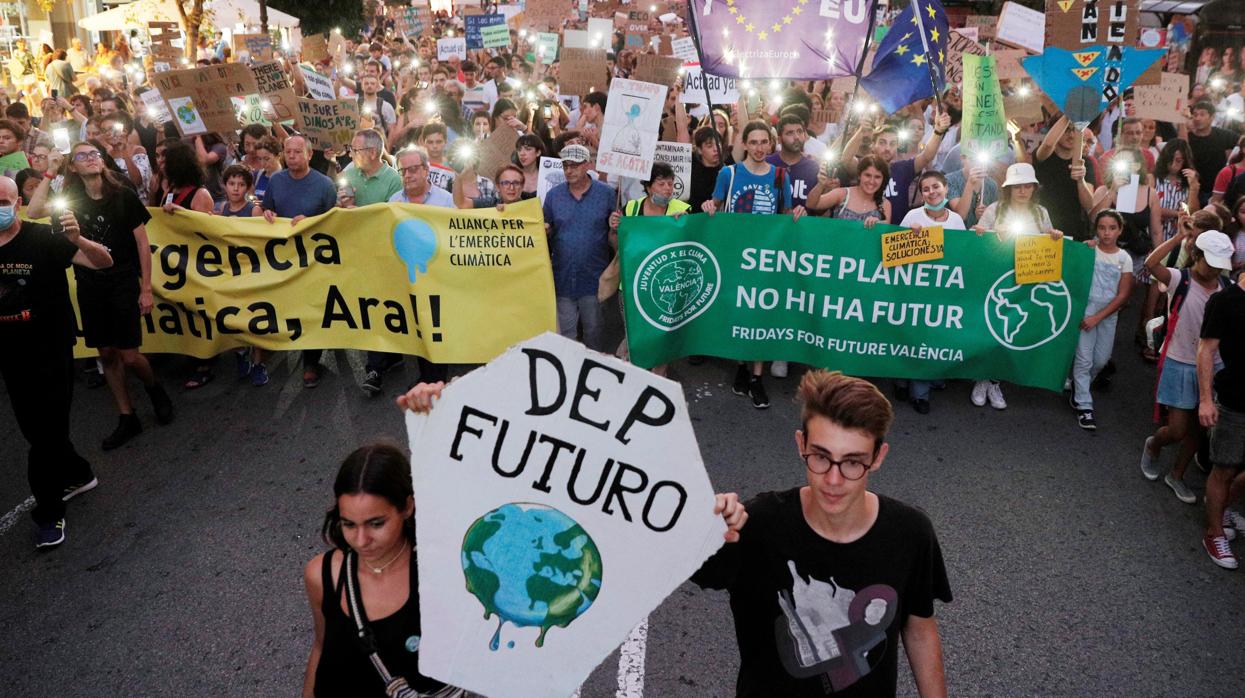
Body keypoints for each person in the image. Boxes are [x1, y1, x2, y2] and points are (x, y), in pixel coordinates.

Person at [691, 369, 951, 696]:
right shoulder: (757, 524)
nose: (833, 480)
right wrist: (703, 526)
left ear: (878, 457)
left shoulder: (911, 532)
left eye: (853, 462)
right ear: (801, 445)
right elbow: (682, 570)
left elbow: (919, 628)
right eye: (821, 457)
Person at [0, 175, 113, 548]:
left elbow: (103, 261)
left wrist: (77, 239)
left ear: (17, 204)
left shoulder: (42, 239)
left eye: (3, 202)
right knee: (36, 430)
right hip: (11, 356)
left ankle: (49, 513)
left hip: (51, 350)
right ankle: (79, 473)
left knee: (44, 435)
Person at [301, 443, 466, 698]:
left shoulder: (442, 572)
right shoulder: (322, 575)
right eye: (349, 524)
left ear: (407, 507)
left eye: (376, 523)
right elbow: (321, 647)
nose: (361, 539)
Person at [37, 141, 174, 448]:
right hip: (89, 284)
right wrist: (50, 171)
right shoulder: (70, 199)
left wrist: (146, 287)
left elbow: (142, 243)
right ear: (72, 166)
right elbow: (33, 210)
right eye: (82, 156)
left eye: (94, 154)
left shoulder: (122, 195)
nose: (90, 159)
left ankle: (154, 388)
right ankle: (127, 416)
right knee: (107, 354)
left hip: (123, 281)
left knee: (130, 355)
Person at [704, 120, 806, 401]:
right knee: (739, 312)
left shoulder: (779, 175)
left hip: (766, 257)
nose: (760, 148)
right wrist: (709, 207)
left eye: (765, 142)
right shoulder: (729, 173)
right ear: (745, 144)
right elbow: (717, 206)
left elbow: (784, 214)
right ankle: (740, 366)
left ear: (770, 144)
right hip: (736, 255)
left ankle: (757, 376)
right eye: (754, 142)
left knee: (761, 313)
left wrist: (797, 213)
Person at [1141, 228, 1236, 504]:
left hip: (1214, 367)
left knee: (1200, 430)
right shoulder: (1179, 279)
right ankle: (1154, 444)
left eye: (1221, 266)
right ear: (1196, 255)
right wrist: (1178, 238)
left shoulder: (1227, 288)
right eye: (1211, 263)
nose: (1215, 271)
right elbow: (1150, 265)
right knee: (1177, 430)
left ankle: (1177, 475)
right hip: (1179, 361)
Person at [973, 163, 1066, 410]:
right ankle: (981, 378)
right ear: (1009, 189)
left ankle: (995, 381)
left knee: (1009, 331)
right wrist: (983, 231)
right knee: (988, 328)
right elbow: (977, 237)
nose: (1022, 191)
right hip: (995, 279)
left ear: (1034, 188)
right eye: (1017, 186)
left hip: (1024, 282)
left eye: (1027, 186)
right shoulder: (995, 209)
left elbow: (1048, 241)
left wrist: (1054, 235)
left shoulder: (1040, 213)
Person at [255, 135, 338, 389]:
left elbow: (335, 223)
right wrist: (267, 213)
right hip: (284, 258)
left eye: (297, 152)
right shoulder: (276, 181)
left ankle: (310, 361)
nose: (291, 156)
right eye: (287, 152)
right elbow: (268, 209)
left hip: (314, 260)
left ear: (309, 155)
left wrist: (312, 222)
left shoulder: (324, 185)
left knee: (312, 307)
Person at [893, 171, 967, 415]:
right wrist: (906, 235)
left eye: (936, 187)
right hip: (911, 291)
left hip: (940, 294)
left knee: (928, 341)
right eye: (926, 189)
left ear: (946, 189)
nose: (932, 192)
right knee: (906, 338)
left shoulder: (956, 220)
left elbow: (963, 256)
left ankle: (920, 393)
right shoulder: (912, 216)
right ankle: (901, 381)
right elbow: (894, 254)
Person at [609, 162, 691, 376]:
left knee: (664, 333)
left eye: (670, 184)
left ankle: (658, 378)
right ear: (647, 186)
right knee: (636, 331)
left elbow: (690, 246)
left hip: (667, 286)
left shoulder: (682, 210)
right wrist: (614, 229)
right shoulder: (631, 208)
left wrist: (685, 227)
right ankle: (634, 372)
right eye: (661, 183)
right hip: (632, 284)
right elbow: (617, 247)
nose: (667, 188)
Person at [543, 143, 615, 353]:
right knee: (566, 335)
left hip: (594, 277)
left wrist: (615, 227)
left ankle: (594, 375)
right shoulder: (554, 196)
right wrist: (545, 230)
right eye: (565, 166)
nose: (569, 170)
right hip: (563, 276)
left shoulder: (607, 194)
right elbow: (546, 231)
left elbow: (615, 237)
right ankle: (568, 376)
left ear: (587, 165)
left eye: (574, 165)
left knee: (594, 331)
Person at [1197, 268, 1245, 570]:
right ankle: (1214, 533)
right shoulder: (1225, 300)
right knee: (1224, 468)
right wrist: (1204, 399)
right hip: (1234, 399)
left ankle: (1223, 506)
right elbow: (1206, 349)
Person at [1070, 211, 1134, 431]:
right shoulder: (1089, 250)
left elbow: (1123, 295)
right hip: (1086, 311)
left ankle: (1081, 386)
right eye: (1102, 228)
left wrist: (1099, 317)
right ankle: (1084, 405)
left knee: (1100, 360)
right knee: (1084, 359)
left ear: (1120, 230)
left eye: (1112, 228)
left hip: (1107, 315)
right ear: (1096, 229)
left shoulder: (1124, 258)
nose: (1107, 233)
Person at [1032, 116, 1097, 241]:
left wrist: (1080, 180)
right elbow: (1049, 144)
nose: (1071, 135)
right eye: (1067, 129)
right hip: (1045, 228)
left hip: (1075, 230)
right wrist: (1070, 112)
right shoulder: (1044, 155)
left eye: (1075, 130)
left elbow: (1089, 204)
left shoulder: (1085, 162)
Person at [806, 155, 890, 226]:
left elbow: (885, 237)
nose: (872, 181)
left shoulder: (885, 204)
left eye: (877, 177)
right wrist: (821, 184)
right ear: (859, 175)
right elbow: (811, 204)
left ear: (883, 179)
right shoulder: (842, 194)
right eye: (867, 175)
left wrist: (879, 225)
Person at [1181, 102, 1237, 207]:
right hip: (1194, 189)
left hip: (1217, 191)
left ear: (1212, 117)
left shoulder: (1223, 135)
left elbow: (1241, 141)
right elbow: (1182, 147)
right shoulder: (1188, 137)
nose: (1197, 118)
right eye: (1195, 114)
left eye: (1202, 114)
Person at [766, 114, 819, 209]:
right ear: (779, 139)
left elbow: (818, 210)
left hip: (802, 223)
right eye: (790, 133)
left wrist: (826, 187)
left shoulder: (813, 167)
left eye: (800, 132)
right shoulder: (767, 163)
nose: (796, 137)